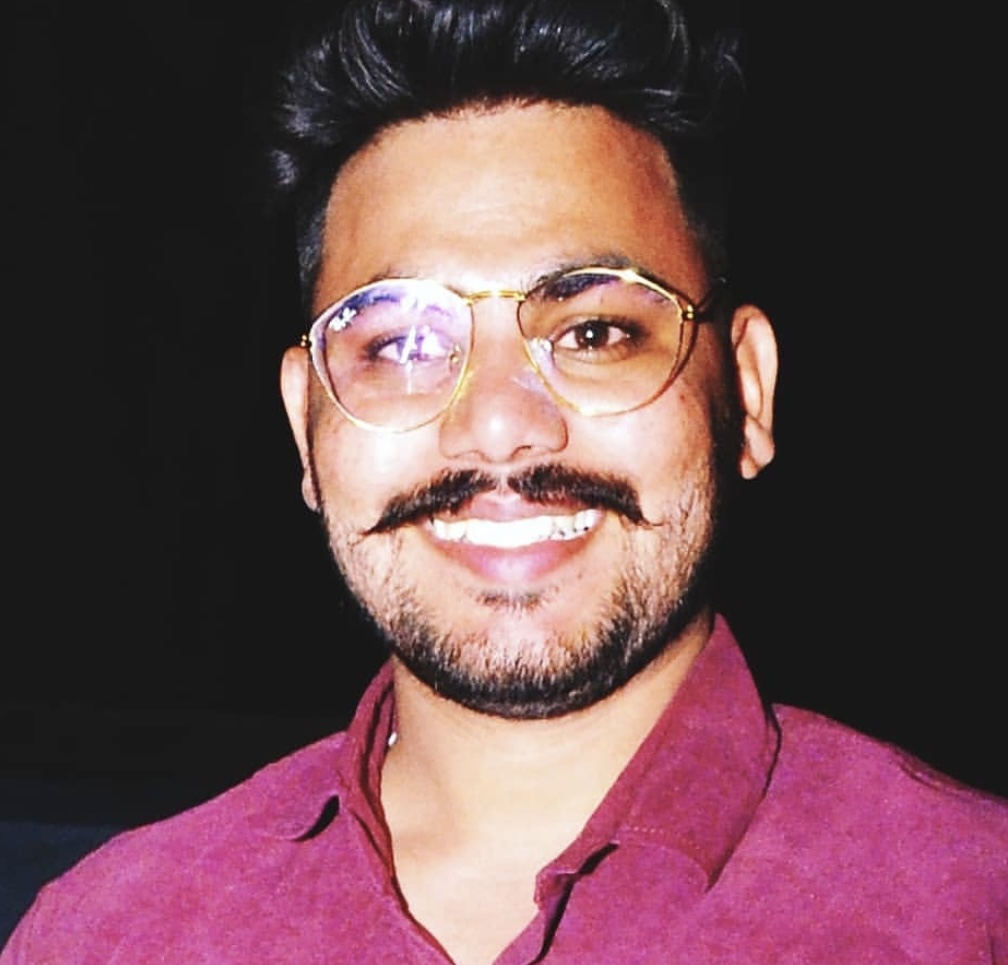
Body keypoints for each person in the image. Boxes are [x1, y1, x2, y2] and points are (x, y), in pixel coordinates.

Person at [3, 0, 1006, 961]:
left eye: (594, 331)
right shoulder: (109, 934)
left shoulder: (967, 909)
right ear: (305, 426)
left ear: (747, 390)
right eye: (401, 345)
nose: (497, 425)